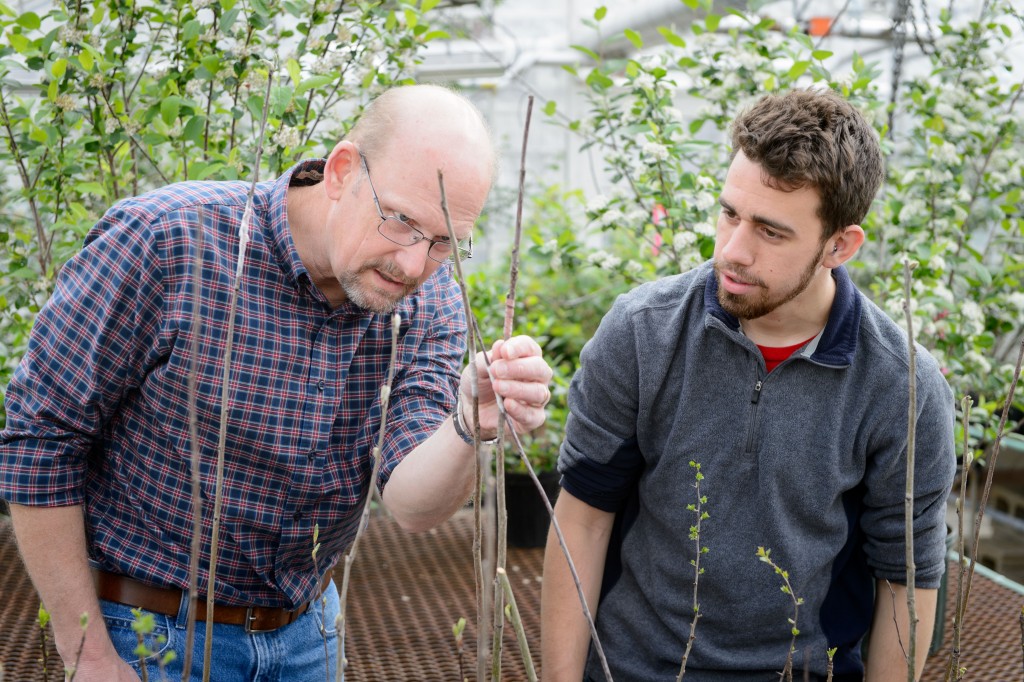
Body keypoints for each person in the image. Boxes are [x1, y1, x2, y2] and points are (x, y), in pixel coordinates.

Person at [0, 84, 553, 681]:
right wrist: (85, 652)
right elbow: (42, 439)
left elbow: (412, 506)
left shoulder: (431, 300)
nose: (414, 265)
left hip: (307, 635)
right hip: (148, 634)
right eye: (400, 222)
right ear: (341, 171)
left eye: (445, 242)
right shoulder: (169, 240)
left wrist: (469, 425)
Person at [540, 88, 955, 682]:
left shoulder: (901, 387)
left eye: (771, 231)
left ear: (839, 245)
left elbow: (906, 580)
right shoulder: (642, 332)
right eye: (730, 213)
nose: (733, 250)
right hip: (636, 668)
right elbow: (583, 518)